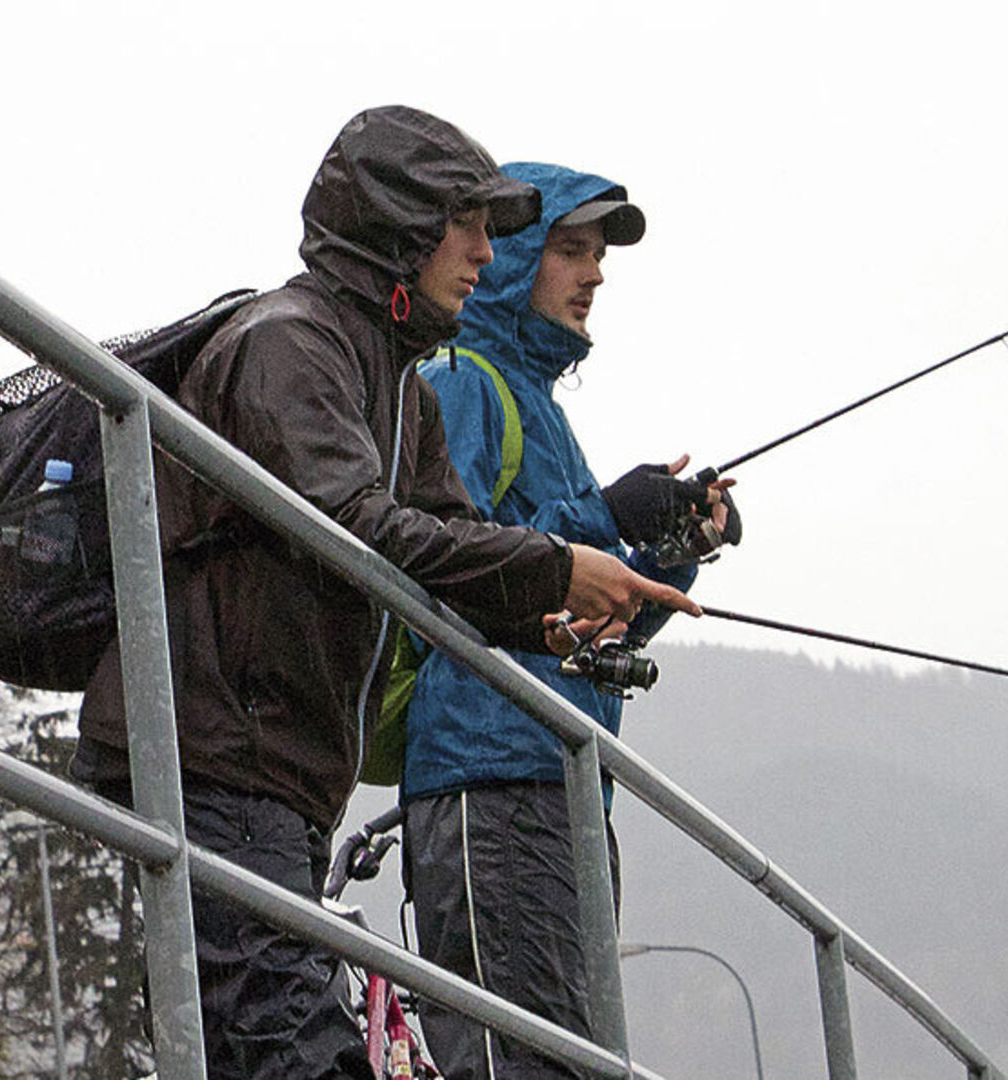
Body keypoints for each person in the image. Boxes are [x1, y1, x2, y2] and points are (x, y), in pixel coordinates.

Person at [66, 109, 699, 1080]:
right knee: (300, 1056)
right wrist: (558, 563)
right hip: (219, 751)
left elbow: (462, 542)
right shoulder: (290, 343)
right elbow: (351, 523)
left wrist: (572, 607)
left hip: (279, 769)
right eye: (470, 224)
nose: (489, 252)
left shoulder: (395, 383)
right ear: (400, 226)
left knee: (252, 1050)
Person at [400, 162, 738, 1079]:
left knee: (572, 1063)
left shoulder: (543, 412)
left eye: (597, 255)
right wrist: (606, 517)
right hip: (490, 780)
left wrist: (669, 553)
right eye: (570, 249)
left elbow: (585, 636)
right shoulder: (463, 381)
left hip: (562, 789)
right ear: (507, 260)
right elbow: (443, 563)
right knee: (524, 1066)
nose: (594, 275)